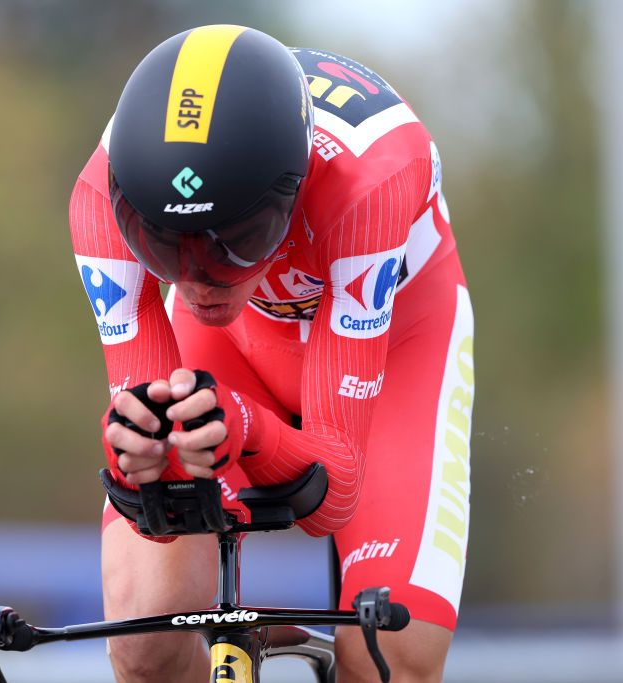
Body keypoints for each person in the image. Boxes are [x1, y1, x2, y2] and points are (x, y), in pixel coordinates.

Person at [69, 24, 474, 682]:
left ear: (292, 195)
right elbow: (156, 499)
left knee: (389, 656)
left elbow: (334, 496)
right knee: (147, 638)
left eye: (235, 243)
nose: (199, 282)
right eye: (166, 249)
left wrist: (248, 428)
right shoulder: (100, 199)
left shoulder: (370, 182)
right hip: (234, 345)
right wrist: (139, 459)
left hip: (397, 341)